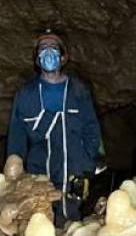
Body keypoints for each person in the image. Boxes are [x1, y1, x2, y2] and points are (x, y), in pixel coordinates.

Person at [6, 31, 103, 225]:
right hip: (40, 167)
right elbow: (17, 130)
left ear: (63, 56)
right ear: (36, 59)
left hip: (74, 167)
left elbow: (92, 127)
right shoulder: (26, 94)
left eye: (53, 48)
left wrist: (90, 163)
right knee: (41, 218)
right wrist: (14, 158)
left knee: (71, 224)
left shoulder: (78, 90)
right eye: (43, 49)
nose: (48, 52)